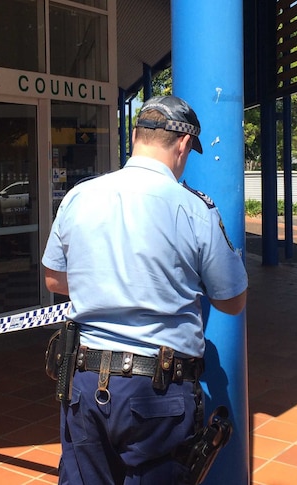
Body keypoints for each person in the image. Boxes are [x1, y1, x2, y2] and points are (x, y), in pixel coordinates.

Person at [41, 95, 248, 485]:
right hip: (158, 390)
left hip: (85, 381)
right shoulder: (194, 209)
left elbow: (54, 278)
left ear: (136, 136)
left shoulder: (79, 196)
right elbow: (232, 301)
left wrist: (101, 285)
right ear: (183, 145)